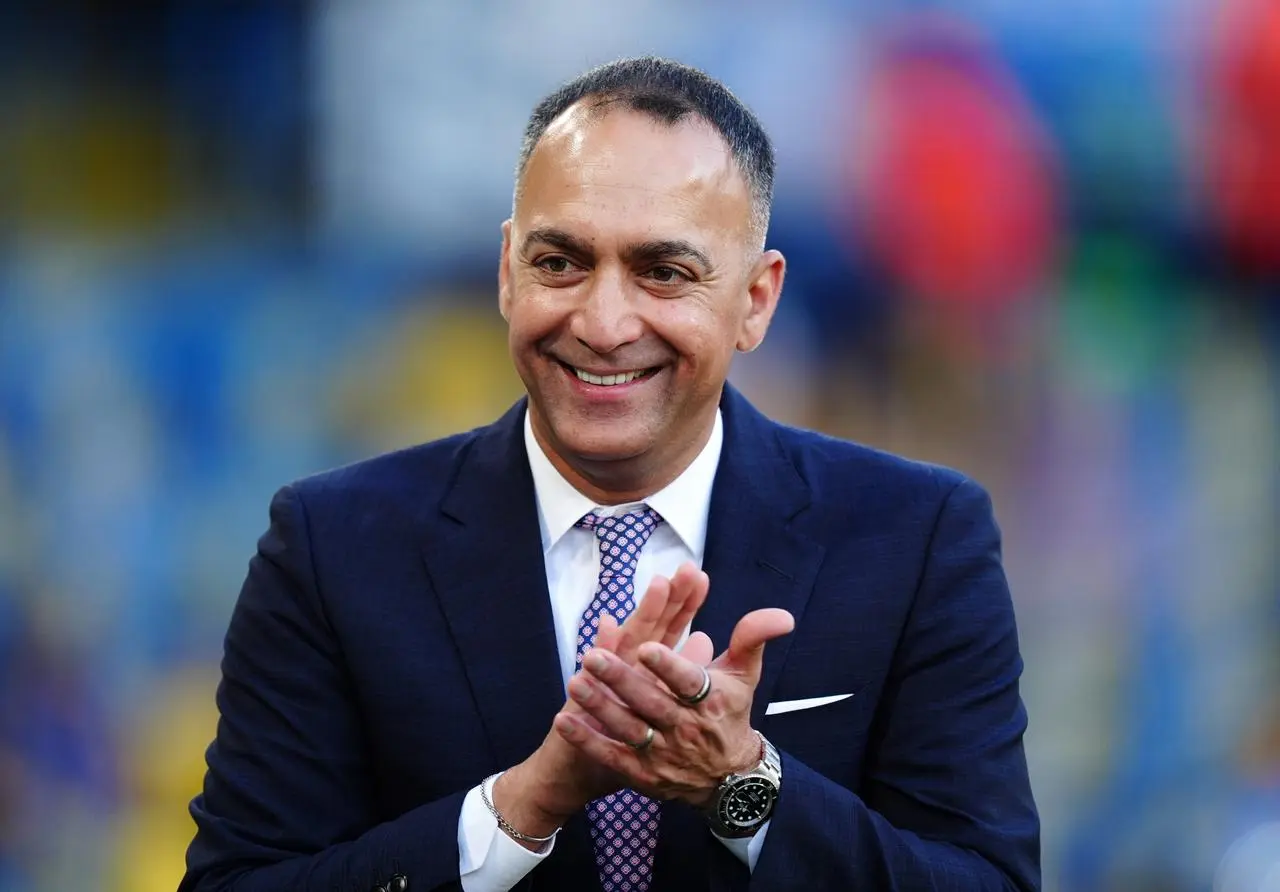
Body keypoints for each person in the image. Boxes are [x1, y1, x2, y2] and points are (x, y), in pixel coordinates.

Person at [179, 56, 1040, 891]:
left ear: (755, 300)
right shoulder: (332, 547)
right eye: (560, 263)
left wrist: (744, 784)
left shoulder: (917, 539)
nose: (603, 322)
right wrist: (520, 809)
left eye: (663, 273)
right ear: (507, 273)